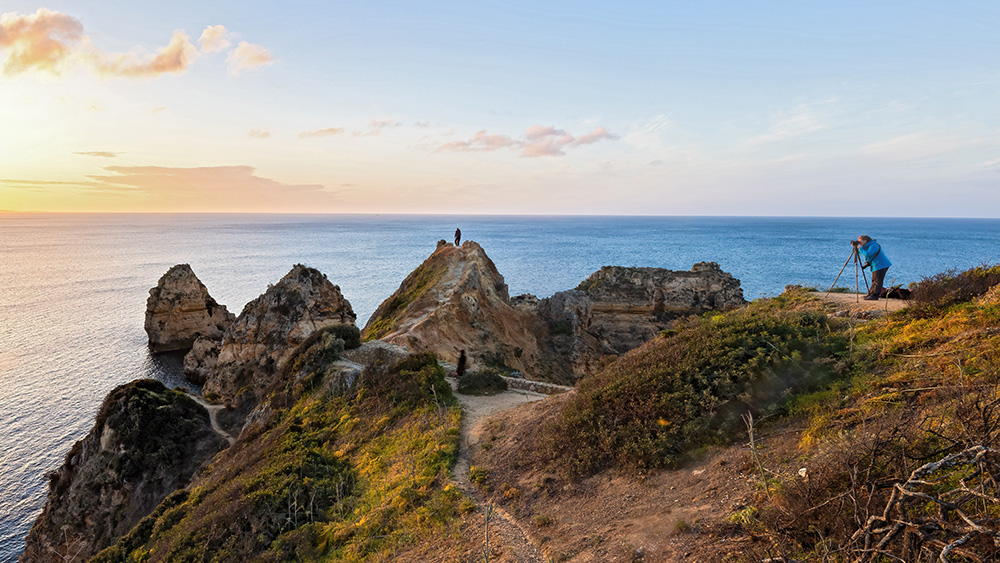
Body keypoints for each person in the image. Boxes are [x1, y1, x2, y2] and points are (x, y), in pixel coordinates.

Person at [853, 235, 891, 301]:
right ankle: (870, 294)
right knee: (874, 280)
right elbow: (863, 252)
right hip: (877, 265)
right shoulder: (867, 246)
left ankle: (875, 296)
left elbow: (868, 254)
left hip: (881, 265)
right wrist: (856, 248)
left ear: (865, 241)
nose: (859, 242)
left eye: (860, 241)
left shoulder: (873, 246)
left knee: (877, 281)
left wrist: (860, 248)